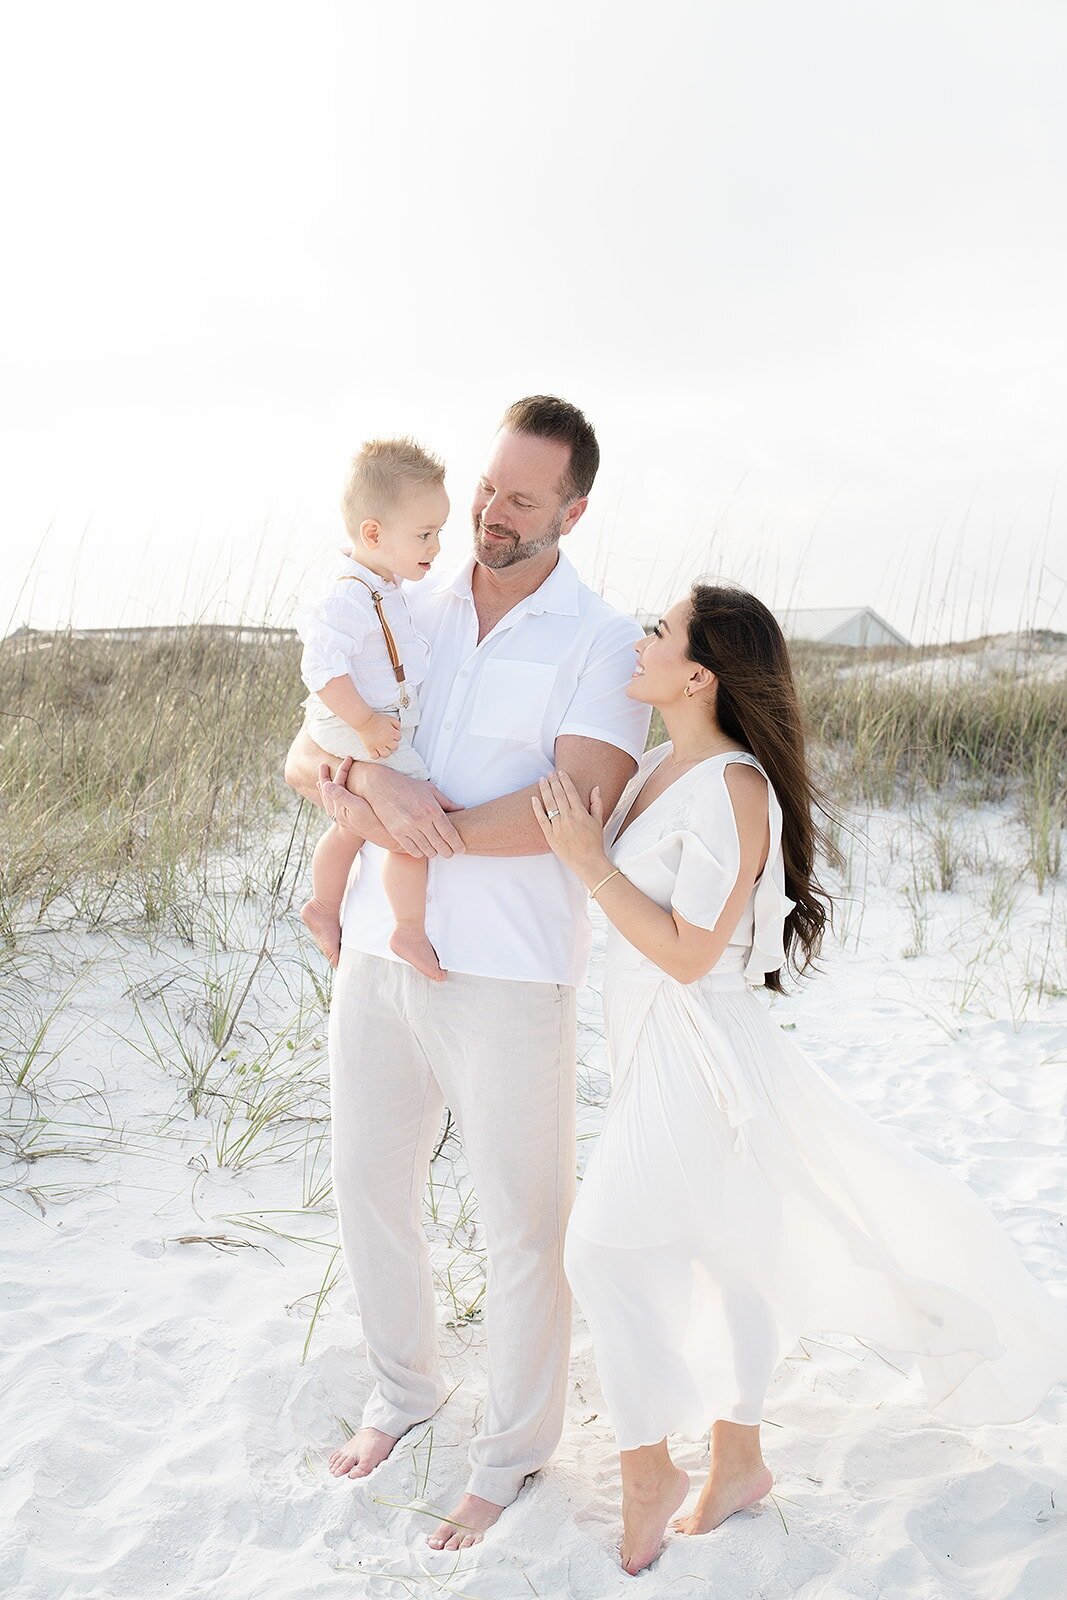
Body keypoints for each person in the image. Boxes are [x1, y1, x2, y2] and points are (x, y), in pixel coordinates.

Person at [533, 584, 1067, 1577]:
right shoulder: (657, 764)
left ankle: (645, 1464)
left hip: (699, 1051)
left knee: (601, 1247)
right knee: (728, 1247)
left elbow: (692, 954)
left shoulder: (733, 785)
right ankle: (735, 1456)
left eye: (659, 631)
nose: (640, 640)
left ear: (698, 673)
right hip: (650, 1041)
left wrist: (581, 860)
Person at [283, 396, 651, 1551]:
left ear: (573, 511)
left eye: (521, 501)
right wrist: (372, 794)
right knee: (368, 1184)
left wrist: (402, 817)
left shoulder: (601, 638)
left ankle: (512, 1452)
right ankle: (403, 1391)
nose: (490, 515)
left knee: (520, 1223)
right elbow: (306, 750)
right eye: (488, 489)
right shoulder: (404, 592)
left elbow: (574, 805)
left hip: (509, 974)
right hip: (384, 957)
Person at [295, 437, 449, 977]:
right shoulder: (348, 595)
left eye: (439, 533)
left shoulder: (385, 586)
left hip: (367, 722)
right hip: (349, 721)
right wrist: (363, 721)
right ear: (374, 534)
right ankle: (407, 930)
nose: (436, 546)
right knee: (416, 824)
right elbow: (319, 668)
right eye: (425, 535)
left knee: (356, 826)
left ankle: (323, 904)